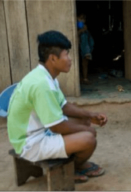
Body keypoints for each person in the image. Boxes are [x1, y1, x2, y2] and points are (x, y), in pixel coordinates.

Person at [7, 30, 107, 183]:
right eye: (66, 55)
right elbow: (56, 127)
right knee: (89, 138)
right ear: (53, 58)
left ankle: (71, 161)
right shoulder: (41, 84)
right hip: (29, 142)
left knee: (85, 122)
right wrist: (87, 129)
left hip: (40, 131)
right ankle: (72, 167)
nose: (70, 59)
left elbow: (64, 106)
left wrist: (90, 115)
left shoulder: (47, 76)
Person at [77, 13, 94, 84]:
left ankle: (85, 78)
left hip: (84, 49)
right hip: (78, 48)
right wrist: (80, 31)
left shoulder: (85, 29)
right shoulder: (76, 27)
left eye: (83, 19)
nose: (82, 20)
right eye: (80, 18)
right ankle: (82, 78)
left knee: (85, 63)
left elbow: (90, 41)